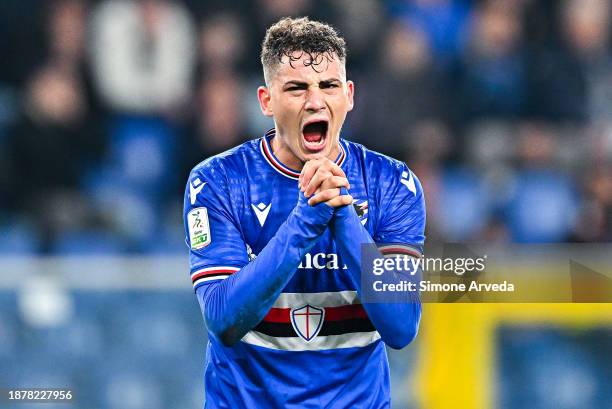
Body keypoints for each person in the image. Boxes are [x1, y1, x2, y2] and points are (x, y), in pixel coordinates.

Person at [183, 17, 425, 408]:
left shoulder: (391, 183)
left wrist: (342, 215)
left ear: (348, 95)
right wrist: (304, 222)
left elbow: (400, 326)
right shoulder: (218, 181)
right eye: (296, 88)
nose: (315, 101)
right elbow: (223, 318)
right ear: (266, 101)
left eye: (328, 86)